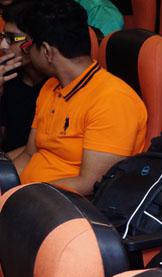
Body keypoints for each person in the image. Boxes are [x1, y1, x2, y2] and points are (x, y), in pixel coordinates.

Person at [11, 0, 147, 195]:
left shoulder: (113, 100)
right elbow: (29, 155)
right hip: (27, 195)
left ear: (47, 51)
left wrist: (19, 196)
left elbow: (91, 184)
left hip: (61, 205)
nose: (27, 52)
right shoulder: (50, 86)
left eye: (28, 46)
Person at [0, 0, 46, 151]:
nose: (3, 46)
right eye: (3, 37)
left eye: (12, 38)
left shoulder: (57, 81)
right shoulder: (6, 75)